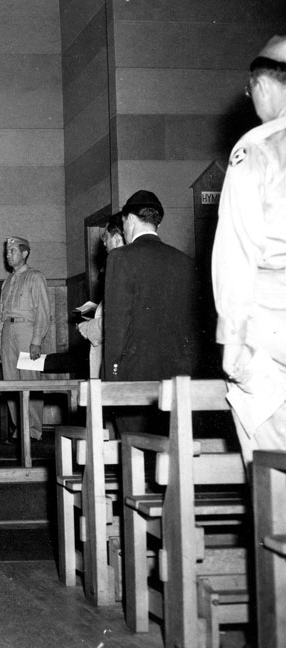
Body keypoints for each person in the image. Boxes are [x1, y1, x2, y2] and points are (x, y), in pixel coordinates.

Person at [211, 34, 286, 462]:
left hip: (271, 337)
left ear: (262, 84)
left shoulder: (256, 149)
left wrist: (233, 344)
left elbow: (236, 254)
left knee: (273, 482)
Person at [103, 190, 197, 387]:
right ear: (158, 224)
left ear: (128, 220)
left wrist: (112, 375)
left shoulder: (120, 258)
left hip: (135, 375)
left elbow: (116, 325)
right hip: (179, 377)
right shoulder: (185, 262)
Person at [0, 236, 51, 441]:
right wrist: (0, 344)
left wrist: (36, 340)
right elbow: (1, 313)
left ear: (25, 253)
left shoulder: (35, 277)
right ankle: (20, 427)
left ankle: (34, 430)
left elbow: (43, 312)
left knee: (30, 380)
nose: (8, 255)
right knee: (10, 382)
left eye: (13, 251)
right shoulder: (8, 281)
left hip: (27, 331)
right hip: (8, 332)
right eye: (7, 252)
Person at [76, 215, 125, 379]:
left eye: (106, 239)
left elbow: (117, 320)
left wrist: (89, 327)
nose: (104, 243)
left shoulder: (122, 268)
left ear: (117, 239)